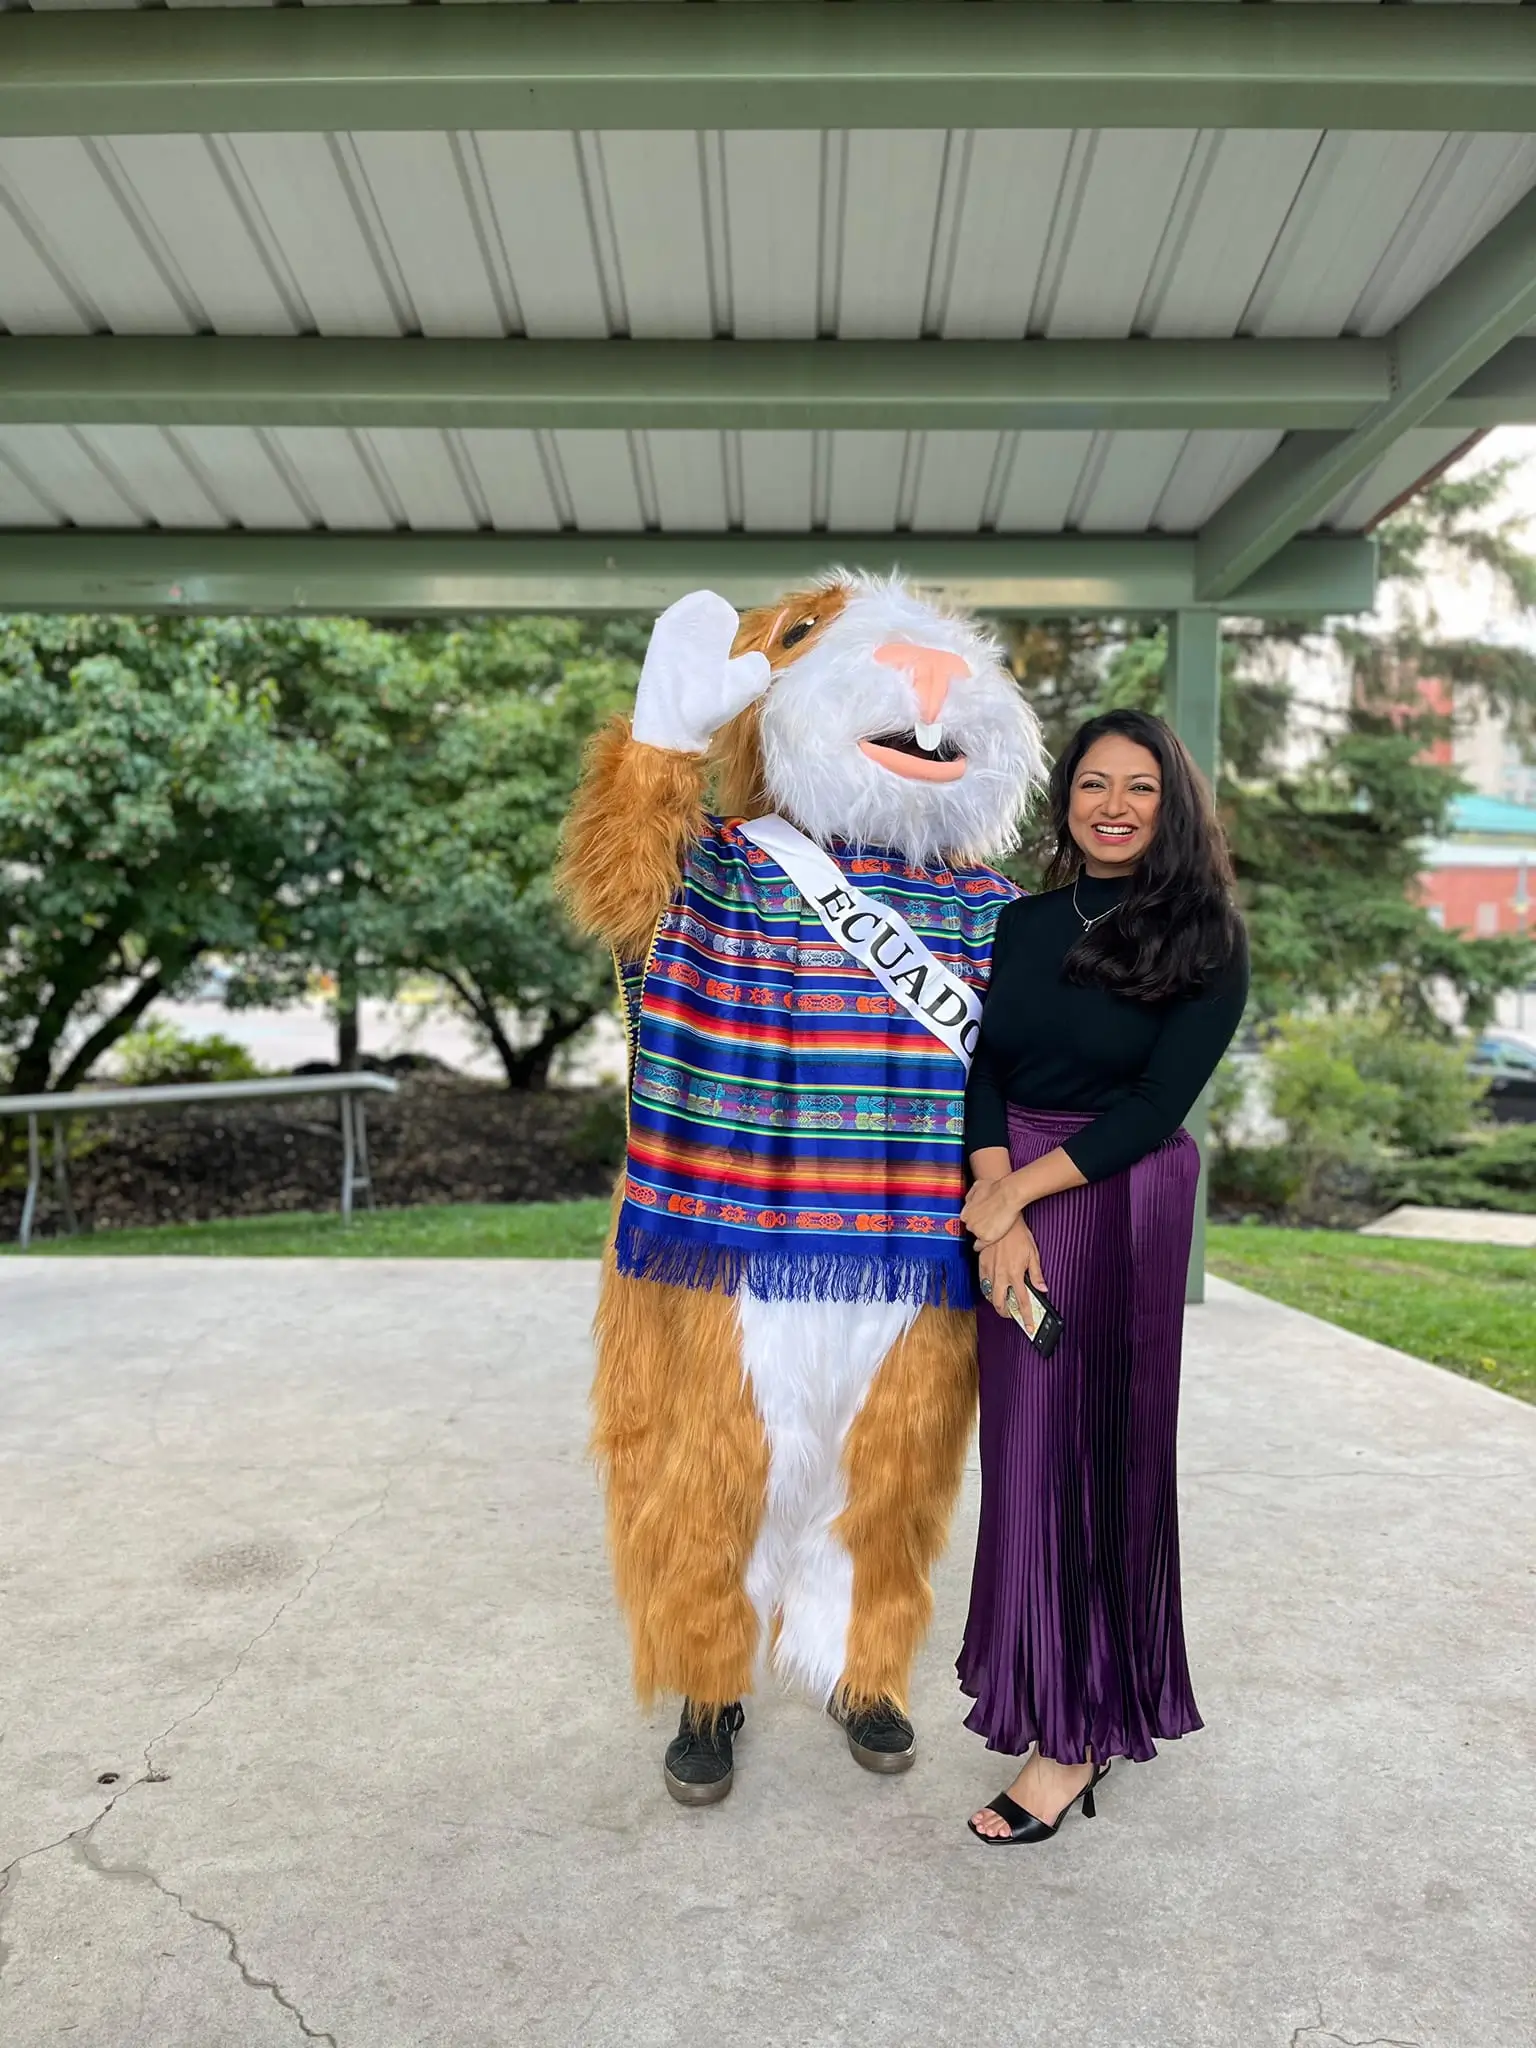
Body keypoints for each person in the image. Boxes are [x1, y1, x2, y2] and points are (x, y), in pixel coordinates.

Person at [956, 706, 1248, 1844]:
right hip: (1011, 1193)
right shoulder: (1023, 921)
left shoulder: (1206, 934)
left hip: (1113, 1198)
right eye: (1093, 783)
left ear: (1171, 804)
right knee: (1025, 1461)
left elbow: (1152, 1108)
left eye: (1139, 786)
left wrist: (1020, 1197)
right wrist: (993, 1197)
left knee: (1093, 1456)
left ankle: (1074, 1740)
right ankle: (1056, 1697)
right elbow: (988, 1066)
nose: (1114, 805)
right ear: (1067, 797)